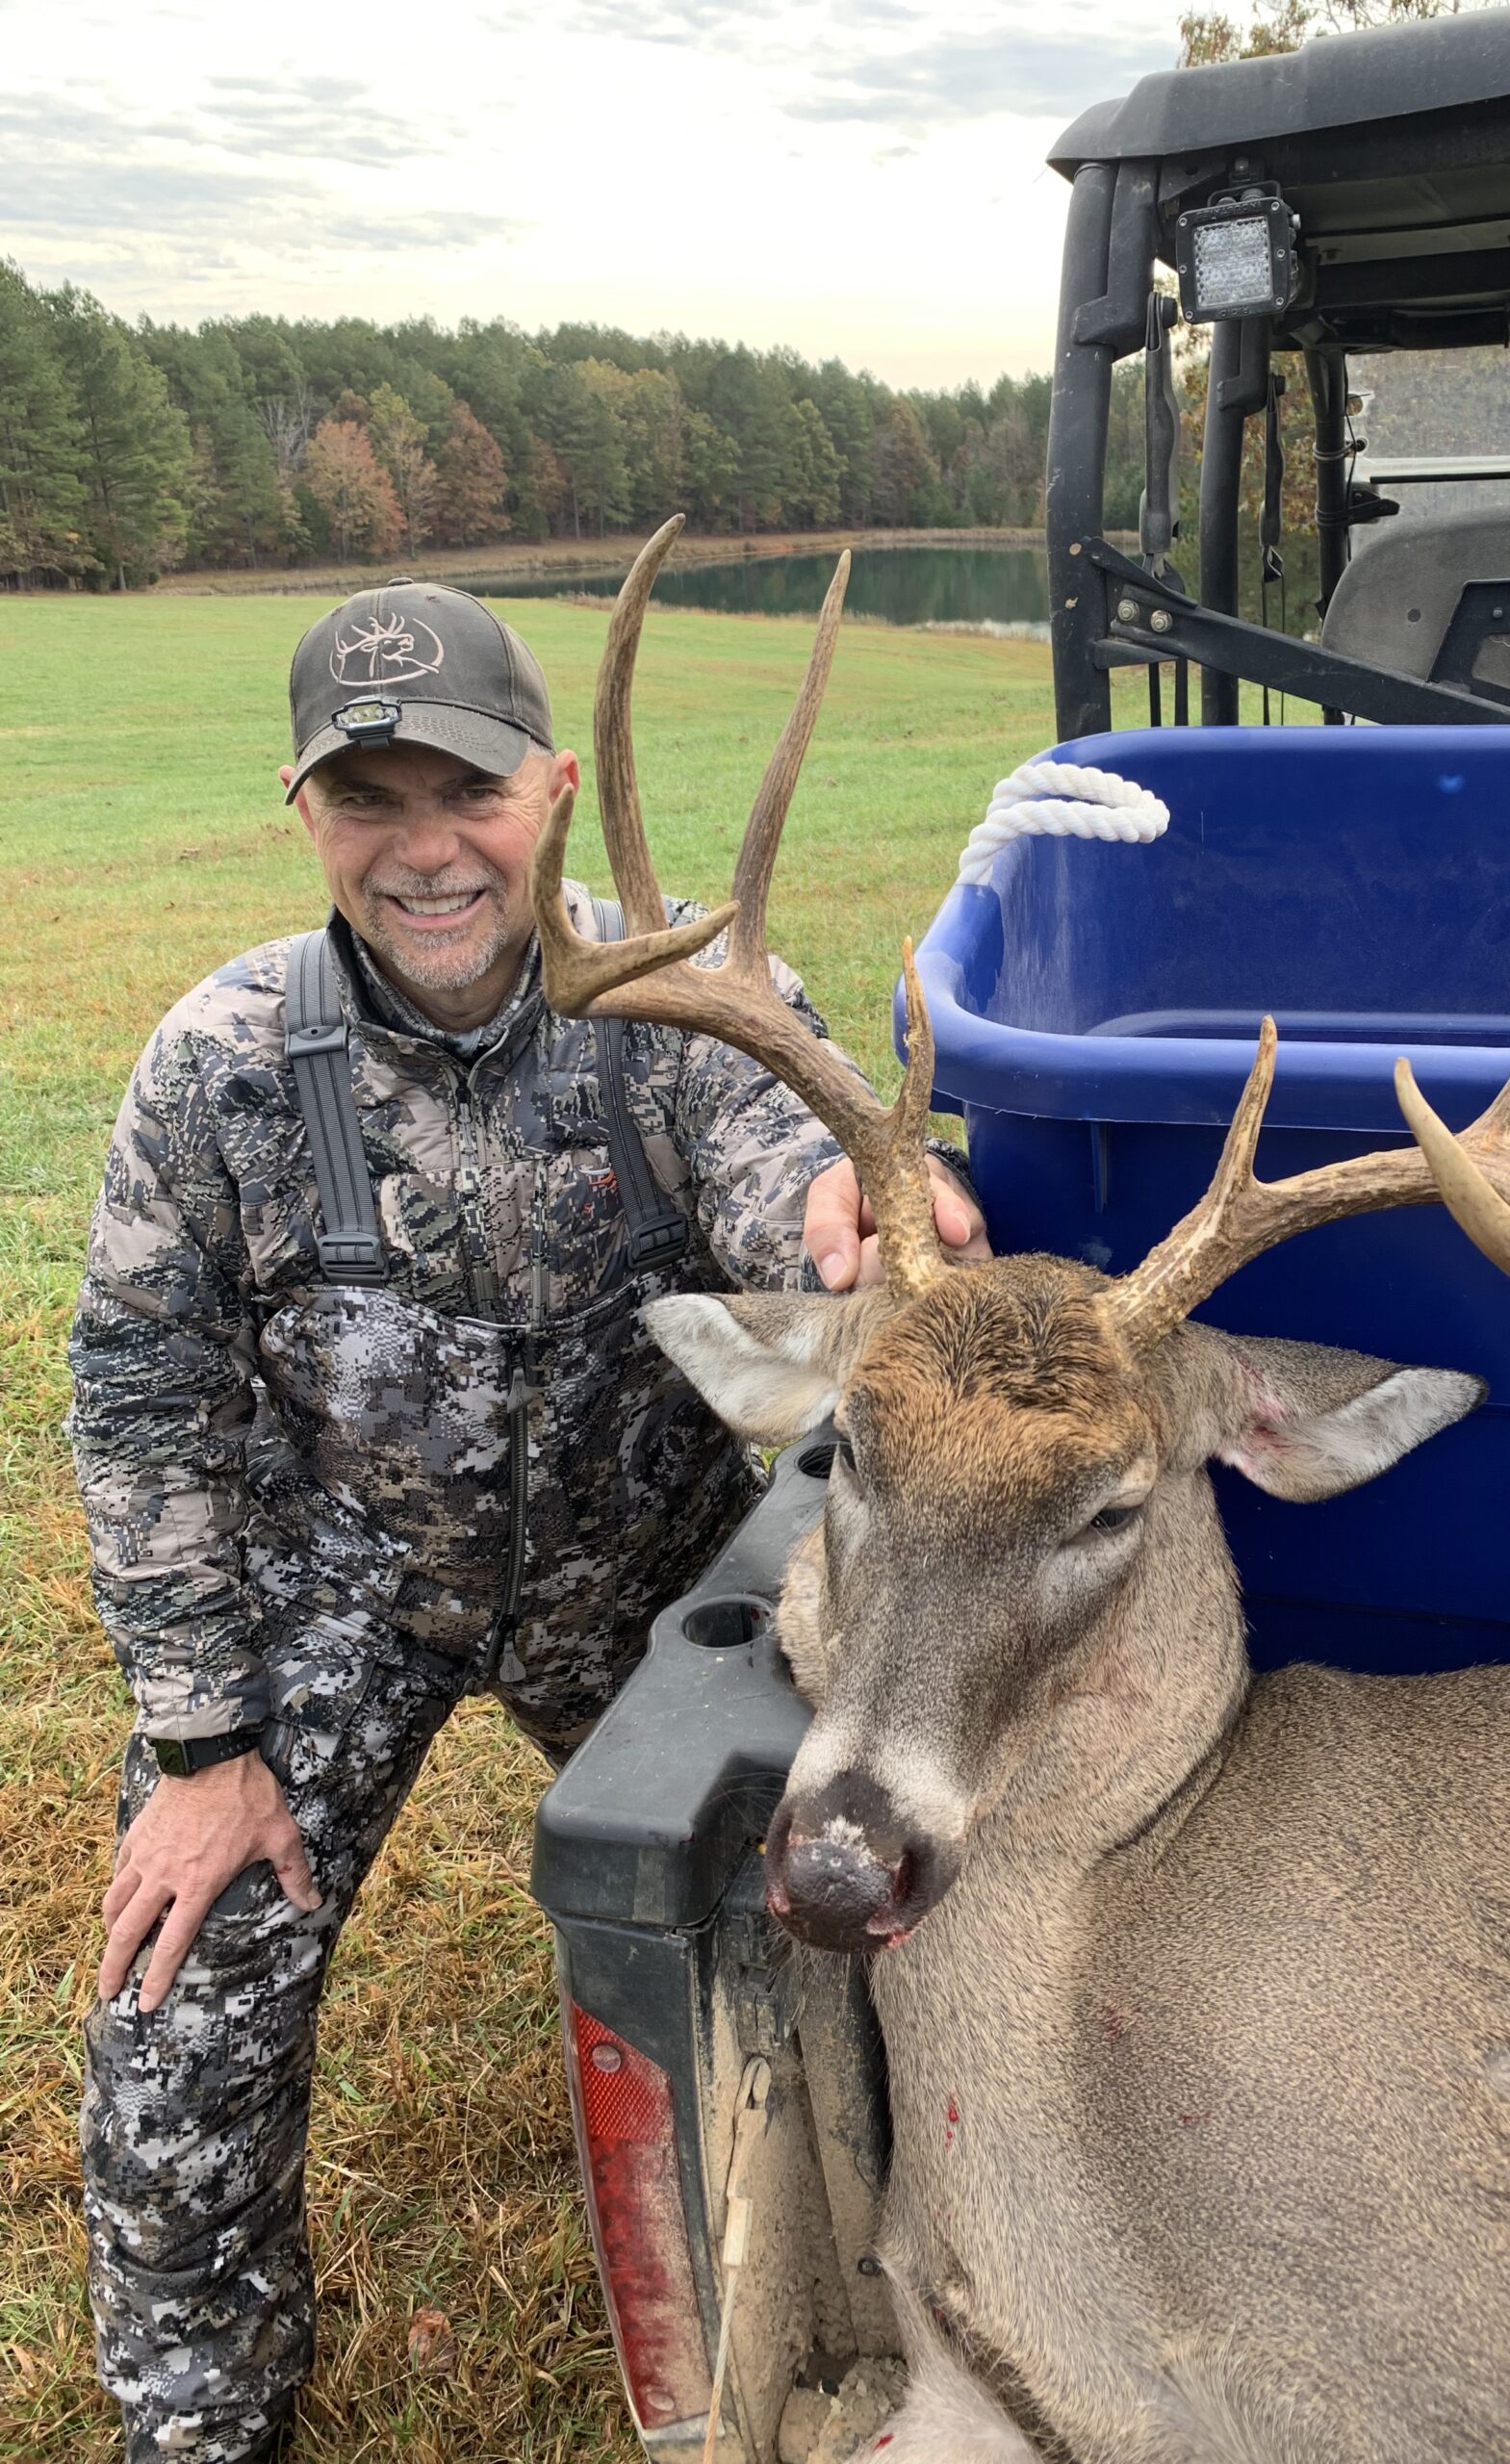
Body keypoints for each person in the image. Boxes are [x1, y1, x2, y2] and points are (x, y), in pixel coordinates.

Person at [70, 579, 986, 2464]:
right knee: (171, 2003)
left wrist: (849, 1216)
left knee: (854, 1938)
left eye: (467, 791)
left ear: (554, 787)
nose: (424, 848)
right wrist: (200, 1741)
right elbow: (144, 1393)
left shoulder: (681, 1007)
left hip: (651, 1595)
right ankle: (206, 2413)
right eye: (367, 797)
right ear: (301, 810)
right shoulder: (223, 1059)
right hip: (345, 1595)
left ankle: (890, 2308)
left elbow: (781, 1176)